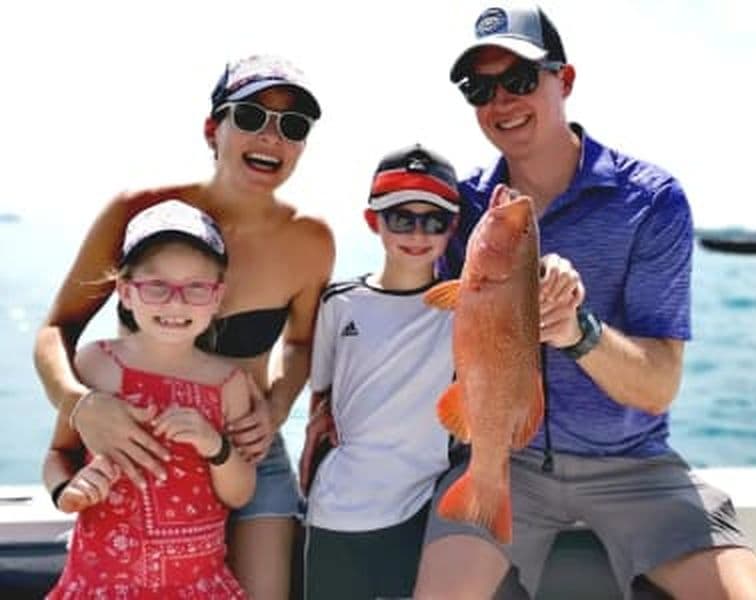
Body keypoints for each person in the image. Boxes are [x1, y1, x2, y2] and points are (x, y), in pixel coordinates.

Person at [413, 4, 756, 600]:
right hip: (503, 462)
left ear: (564, 80)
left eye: (519, 80)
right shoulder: (461, 208)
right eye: (480, 88)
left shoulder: (651, 200)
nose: (501, 102)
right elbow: (407, 309)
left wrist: (576, 330)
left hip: (634, 468)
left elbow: (659, 387)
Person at [33, 54, 334, 599]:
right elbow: (57, 330)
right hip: (137, 444)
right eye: (251, 116)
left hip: (245, 451)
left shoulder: (310, 240)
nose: (272, 136)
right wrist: (81, 406)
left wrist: (275, 408)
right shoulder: (138, 211)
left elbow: (302, 342)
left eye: (292, 126)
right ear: (212, 129)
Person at [43, 200, 255, 598]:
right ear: (125, 291)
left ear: (217, 296)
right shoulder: (95, 364)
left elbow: (240, 492)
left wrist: (215, 445)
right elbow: (58, 455)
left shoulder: (229, 382)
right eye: (156, 286)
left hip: (197, 588)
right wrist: (67, 491)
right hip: (101, 586)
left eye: (196, 288)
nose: (176, 303)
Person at [298, 144, 460, 599]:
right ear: (373, 221)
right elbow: (323, 400)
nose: (417, 232)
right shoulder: (339, 301)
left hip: (421, 507)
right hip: (336, 510)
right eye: (400, 218)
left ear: (453, 228)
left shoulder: (465, 307)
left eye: (434, 220)